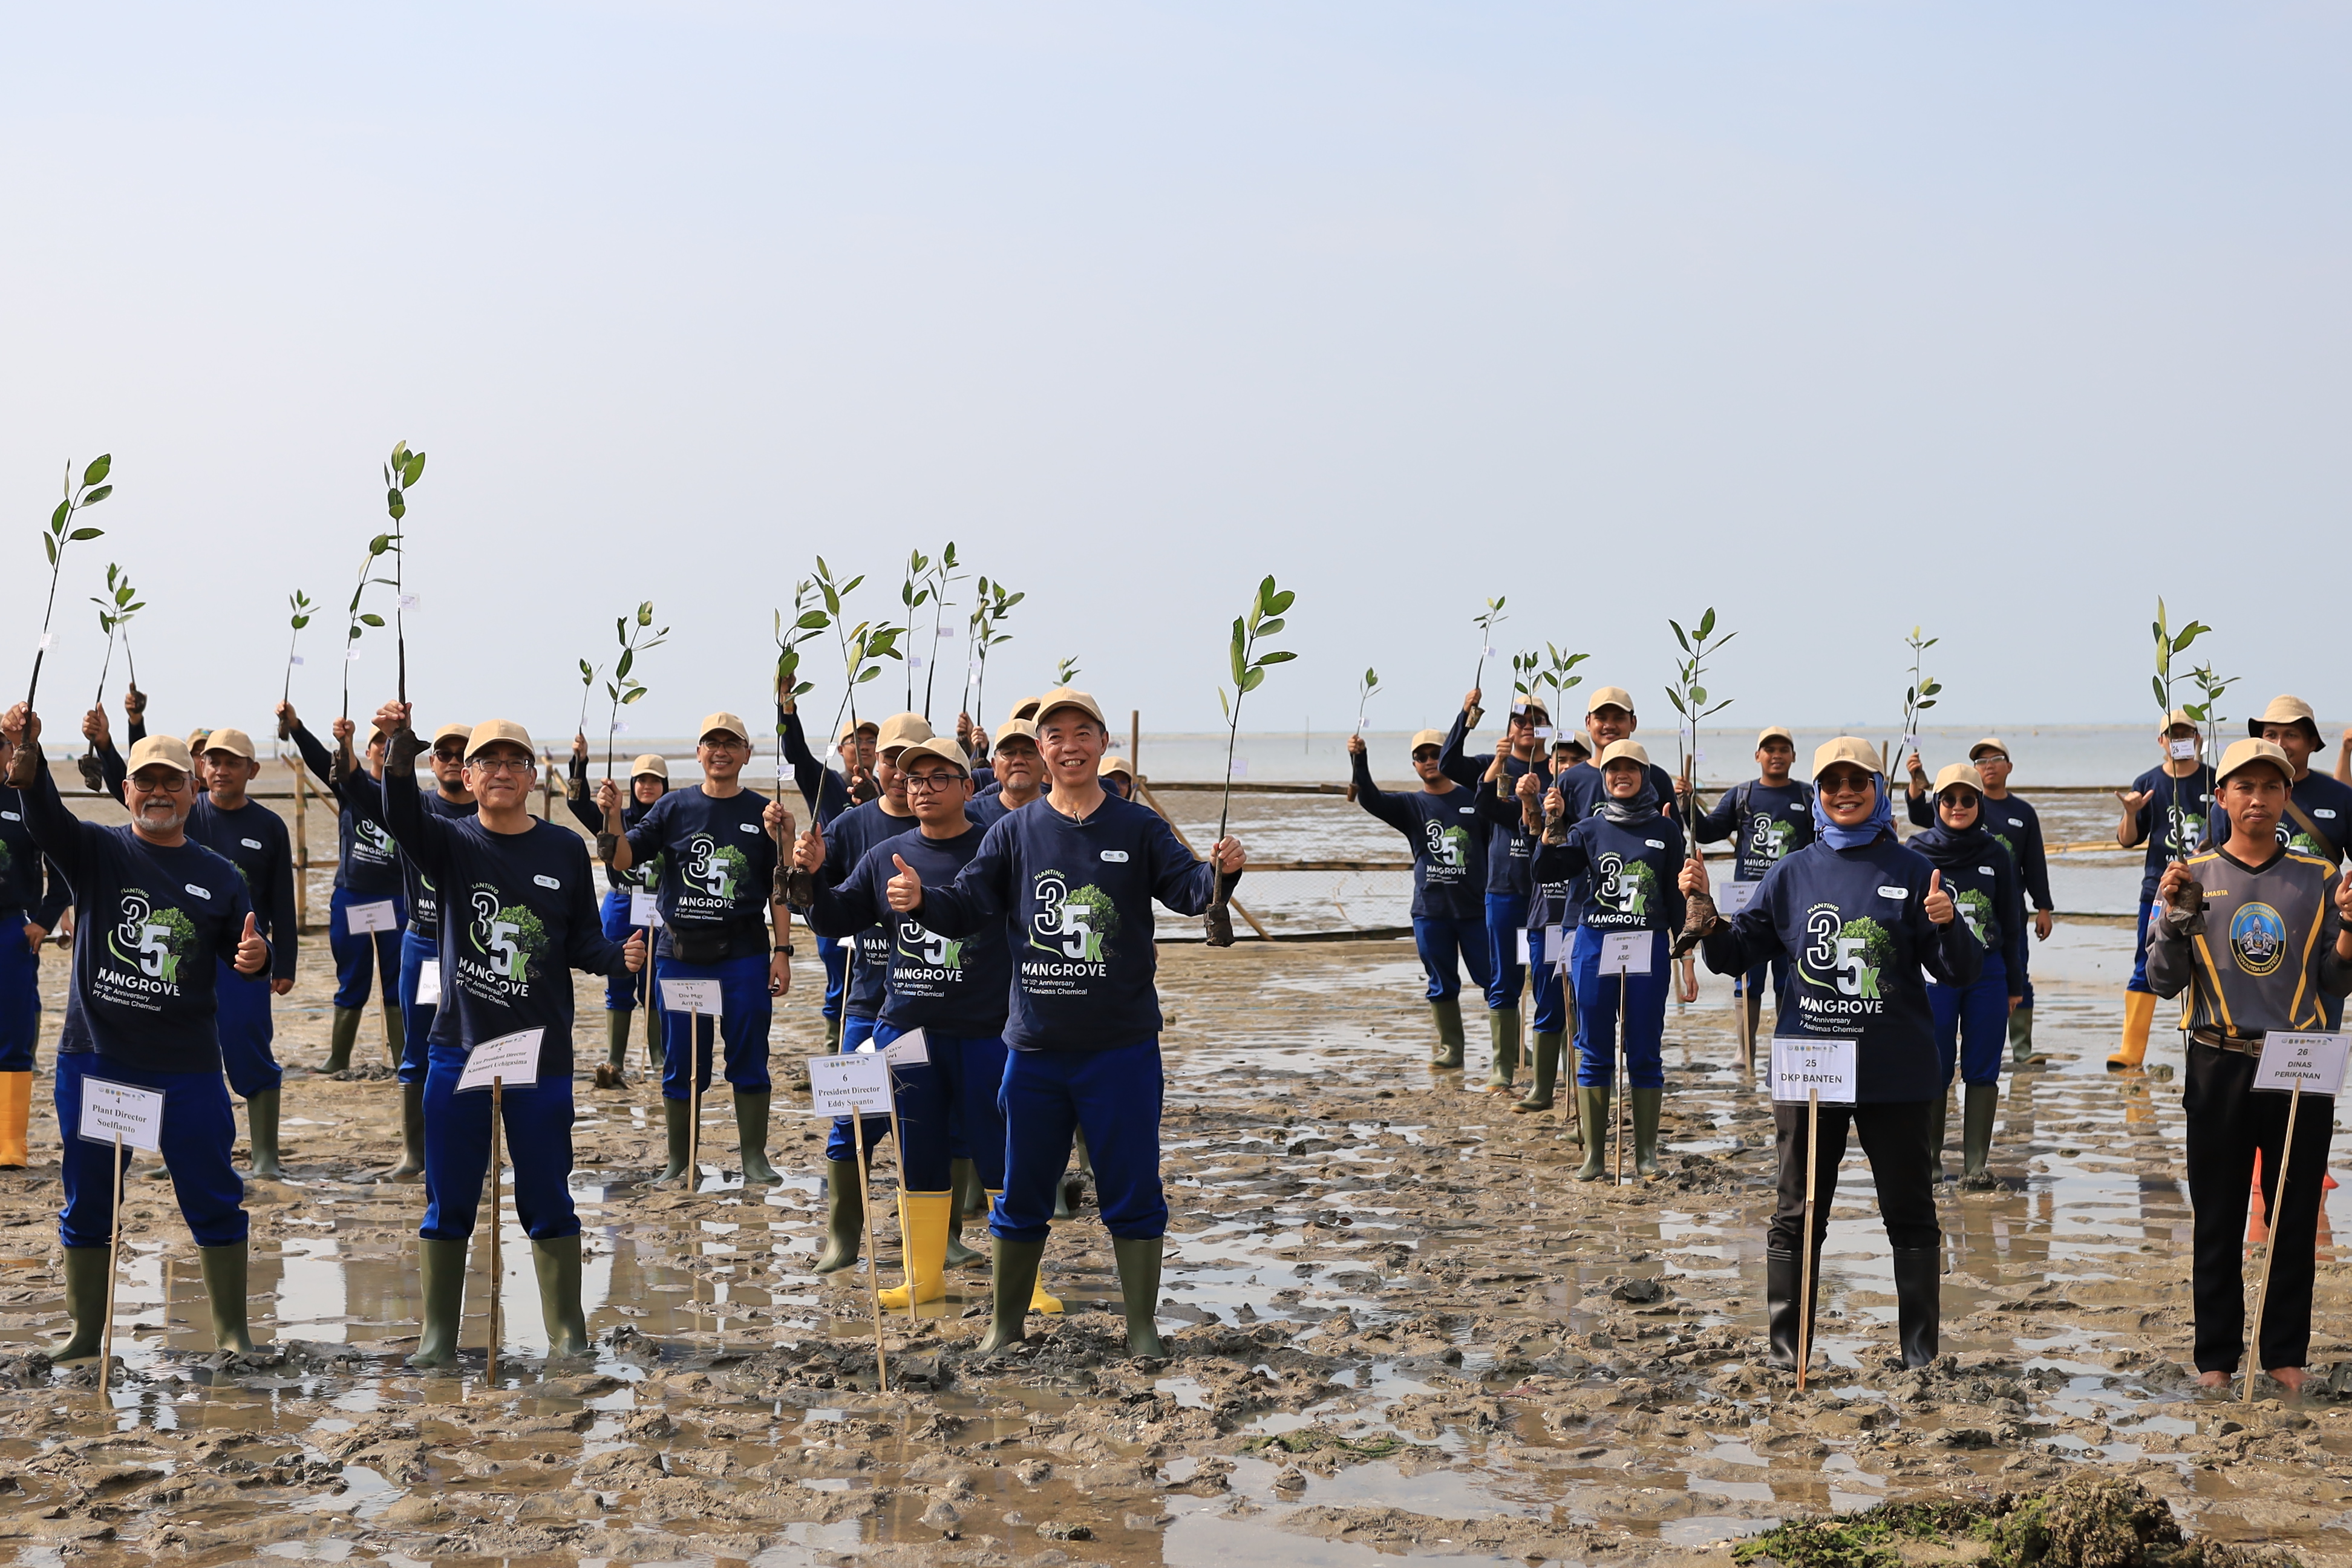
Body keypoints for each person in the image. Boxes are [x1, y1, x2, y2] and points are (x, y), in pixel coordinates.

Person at [882, 687, 1243, 1357]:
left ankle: (1142, 1328)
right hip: (1036, 1051)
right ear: (1041, 751)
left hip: (1122, 1048)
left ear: (1104, 745)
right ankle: (1004, 1325)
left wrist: (1221, 875)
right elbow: (965, 906)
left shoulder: (1138, 829)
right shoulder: (1014, 832)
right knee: (1021, 1192)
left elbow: (1191, 892)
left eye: (1083, 733)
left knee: (1133, 1189)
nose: (1069, 745)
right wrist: (919, 901)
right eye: (1055, 736)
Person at [1683, 736, 1978, 1372]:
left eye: (1858, 782)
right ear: (1816, 796)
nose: (1845, 793)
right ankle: (1790, 1356)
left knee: (1911, 1213)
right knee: (1797, 1213)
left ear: (1878, 791)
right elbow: (1736, 956)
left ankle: (1920, 1356)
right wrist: (1706, 915)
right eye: (1832, 784)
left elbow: (1957, 972)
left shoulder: (1912, 868)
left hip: (1895, 1075)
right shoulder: (1790, 872)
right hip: (1809, 1073)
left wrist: (1949, 921)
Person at [375, 704, 645, 1367]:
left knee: (548, 1194)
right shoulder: (447, 839)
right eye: (486, 762)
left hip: (541, 1058)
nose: (500, 772)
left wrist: (619, 957)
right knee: (449, 1201)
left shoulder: (560, 848)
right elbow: (399, 812)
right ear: (466, 776)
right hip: (457, 1049)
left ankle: (566, 1333)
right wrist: (397, 750)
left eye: (513, 763)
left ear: (532, 777)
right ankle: (439, 1338)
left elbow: (579, 936)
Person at [3, 707, 272, 1361]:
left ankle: (232, 1334)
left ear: (193, 791)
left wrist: (255, 958)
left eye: (172, 781)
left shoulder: (219, 875)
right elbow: (45, 818)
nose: (158, 792)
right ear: (126, 790)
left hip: (186, 1066)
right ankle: (85, 1335)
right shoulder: (94, 850)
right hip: (97, 1061)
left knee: (213, 1195)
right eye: (145, 781)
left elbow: (247, 947)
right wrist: (30, 759)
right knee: (89, 1198)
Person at [797, 734, 1059, 1316]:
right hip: (905, 1030)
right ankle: (923, 1279)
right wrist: (813, 879)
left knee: (1002, 1155)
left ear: (970, 787)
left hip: (986, 1030)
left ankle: (1024, 1282)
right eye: (915, 778)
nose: (924, 788)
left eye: (940, 777)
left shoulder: (998, 849)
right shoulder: (886, 852)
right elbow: (839, 913)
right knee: (919, 1154)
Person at [2143, 737, 2352, 1393]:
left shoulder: (2318, 879)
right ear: (2222, 796)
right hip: (2218, 1059)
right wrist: (2174, 918)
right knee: (2218, 1214)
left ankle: (2285, 1357)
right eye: (2244, 787)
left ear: (2288, 797)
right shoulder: (2191, 876)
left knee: (2293, 1217)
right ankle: (2216, 1362)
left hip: (2299, 1062)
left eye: (2271, 787)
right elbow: (2163, 978)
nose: (2257, 799)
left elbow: (2334, 983)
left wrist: (2350, 927)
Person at [599, 712, 792, 1187]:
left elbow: (781, 888)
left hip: (744, 955)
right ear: (699, 752)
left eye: (732, 743)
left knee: (749, 1056)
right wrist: (610, 815)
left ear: (747, 754)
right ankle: (680, 1162)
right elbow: (624, 859)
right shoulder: (673, 807)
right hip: (680, 957)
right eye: (712, 742)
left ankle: (754, 1160)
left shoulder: (764, 812)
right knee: (683, 1064)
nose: (721, 751)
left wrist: (783, 950)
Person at [1530, 740, 1687, 1180]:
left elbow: (1676, 900)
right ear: (1604, 776)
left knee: (1644, 1050)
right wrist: (1550, 824)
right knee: (1593, 1048)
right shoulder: (1586, 829)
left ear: (1644, 774)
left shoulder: (1666, 830)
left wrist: (1687, 956)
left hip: (1649, 946)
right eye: (1614, 768)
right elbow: (1545, 872)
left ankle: (1646, 1154)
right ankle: (1594, 1155)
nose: (1622, 775)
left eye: (1631, 768)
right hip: (1593, 943)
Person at [185, 728, 300, 1181]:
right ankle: (188, 1149)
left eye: (232, 762)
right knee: (186, 1054)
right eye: (212, 761)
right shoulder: (187, 815)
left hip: (247, 957)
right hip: (188, 955)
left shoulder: (269, 825)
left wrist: (284, 964)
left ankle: (265, 1155)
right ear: (201, 768)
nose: (220, 770)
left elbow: (284, 902)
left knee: (247, 1045)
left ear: (252, 770)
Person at [1909, 764, 2026, 1187]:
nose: (1958, 807)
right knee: (1934, 1066)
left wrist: (2017, 983)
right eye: (1948, 799)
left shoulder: (1997, 854)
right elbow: (1904, 924)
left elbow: (2013, 922)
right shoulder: (1917, 850)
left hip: (1988, 973)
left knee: (1983, 1067)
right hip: (1935, 973)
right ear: (1936, 804)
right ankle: (1932, 1163)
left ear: (1980, 804)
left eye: (1967, 800)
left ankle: (1976, 1164)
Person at [1348, 728, 1490, 1071]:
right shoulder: (1410, 805)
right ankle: (1451, 1049)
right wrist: (1359, 759)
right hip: (1431, 911)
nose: (1429, 761)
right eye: (1421, 757)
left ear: (1448, 757)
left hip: (1475, 909)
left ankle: (1513, 1047)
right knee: (1441, 982)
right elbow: (1370, 798)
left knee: (1495, 979)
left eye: (1435, 754)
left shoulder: (1475, 798)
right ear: (1414, 764)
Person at [287, 711, 406, 1073]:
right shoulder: (350, 787)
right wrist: (298, 728)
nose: (385, 751)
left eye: (392, 745)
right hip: (352, 896)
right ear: (368, 751)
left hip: (397, 900)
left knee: (397, 979)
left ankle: (404, 1057)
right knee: (352, 976)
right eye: (380, 744)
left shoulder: (408, 794)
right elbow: (321, 761)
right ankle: (338, 1056)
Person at [1440, 689, 1543, 1092]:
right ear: (1509, 727)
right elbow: (1448, 762)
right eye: (1520, 719)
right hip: (1504, 891)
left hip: (1548, 894)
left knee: (1552, 978)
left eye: (1537, 719)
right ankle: (1504, 1068)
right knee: (1504, 979)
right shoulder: (1491, 766)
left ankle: (1548, 1056)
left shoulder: (1554, 770)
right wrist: (1468, 714)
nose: (1528, 725)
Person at [811, 714, 930, 1059]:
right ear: (875, 763)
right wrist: (804, 869)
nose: (899, 774)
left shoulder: (955, 828)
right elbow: (813, 905)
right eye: (890, 762)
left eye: (911, 764)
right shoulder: (849, 826)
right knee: (854, 1111)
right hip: (867, 997)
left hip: (939, 1007)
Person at [1693, 726, 1816, 1044]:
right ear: (1758, 755)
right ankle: (1743, 1052)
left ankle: (1786, 1045)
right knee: (1746, 978)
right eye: (1769, 750)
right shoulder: (1742, 794)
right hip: (1748, 905)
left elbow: (1826, 842)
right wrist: (1686, 805)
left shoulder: (1807, 796)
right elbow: (1708, 832)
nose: (1776, 755)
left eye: (1783, 750)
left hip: (1793, 904)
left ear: (1793, 756)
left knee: (1789, 980)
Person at [1491, 733, 1588, 1118]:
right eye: (1560, 760)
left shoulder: (1594, 809)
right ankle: (1542, 1089)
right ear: (1550, 764)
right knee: (1548, 1003)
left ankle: (1584, 1090)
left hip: (1581, 917)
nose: (1565, 767)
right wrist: (1532, 804)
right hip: (1544, 916)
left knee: (1582, 1007)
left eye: (1574, 760)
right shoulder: (1542, 805)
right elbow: (1532, 846)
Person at [2110, 711, 2214, 1069]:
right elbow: (2128, 839)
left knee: (2209, 961)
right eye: (2173, 735)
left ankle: (2207, 1037)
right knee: (2146, 961)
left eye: (2187, 734)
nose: (2180, 740)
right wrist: (2129, 812)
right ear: (2162, 742)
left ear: (2198, 738)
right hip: (2158, 891)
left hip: (2209, 890)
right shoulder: (2148, 781)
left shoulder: (2213, 781)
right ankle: (2130, 1052)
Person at [569, 740, 664, 1084]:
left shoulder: (673, 819)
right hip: (622, 904)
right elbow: (575, 801)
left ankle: (658, 1056)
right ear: (633, 785)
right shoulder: (614, 817)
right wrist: (580, 762)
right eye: (641, 779)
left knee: (655, 984)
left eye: (655, 780)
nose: (647, 786)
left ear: (665, 787)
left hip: (659, 908)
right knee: (619, 978)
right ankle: (615, 1059)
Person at [0, 726, 70, 1169]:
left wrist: (43, 921)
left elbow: (63, 865)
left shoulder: (24, 800)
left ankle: (10, 1146)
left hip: (12, 930)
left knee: (12, 1036)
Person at [779, 694, 863, 1051]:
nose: (864, 747)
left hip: (874, 901)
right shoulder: (827, 784)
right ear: (842, 750)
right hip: (830, 895)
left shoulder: (890, 789)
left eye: (871, 740)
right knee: (837, 978)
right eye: (855, 741)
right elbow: (796, 755)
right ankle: (833, 1049)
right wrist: (787, 709)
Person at [970, 718, 1044, 826]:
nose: (1018, 760)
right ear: (994, 766)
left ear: (1044, 761)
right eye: (1009, 753)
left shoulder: (1061, 815)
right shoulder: (971, 815)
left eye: (1028, 752)